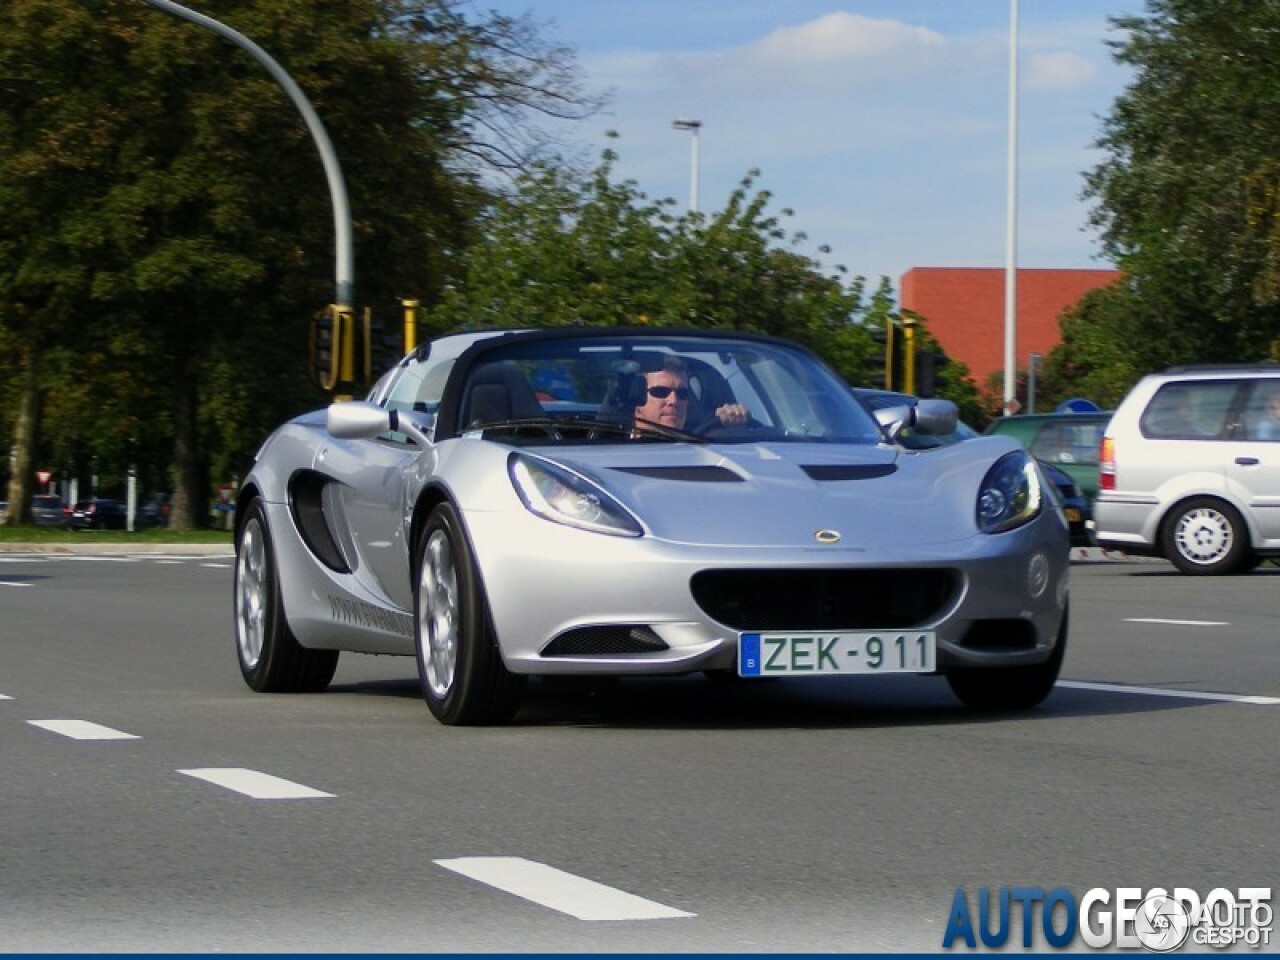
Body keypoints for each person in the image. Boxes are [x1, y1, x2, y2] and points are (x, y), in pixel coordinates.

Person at [631, 357, 750, 435]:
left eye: (682, 394)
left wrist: (733, 430)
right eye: (660, 392)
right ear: (637, 398)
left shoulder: (709, 448)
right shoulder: (614, 449)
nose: (673, 401)